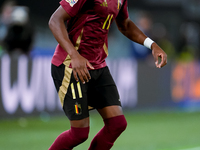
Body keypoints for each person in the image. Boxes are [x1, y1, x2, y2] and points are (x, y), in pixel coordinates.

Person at [48, 0, 167, 150]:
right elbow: (54, 20)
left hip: (98, 66)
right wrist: (74, 55)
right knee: (79, 133)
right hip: (72, 66)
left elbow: (125, 24)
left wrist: (152, 45)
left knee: (117, 124)